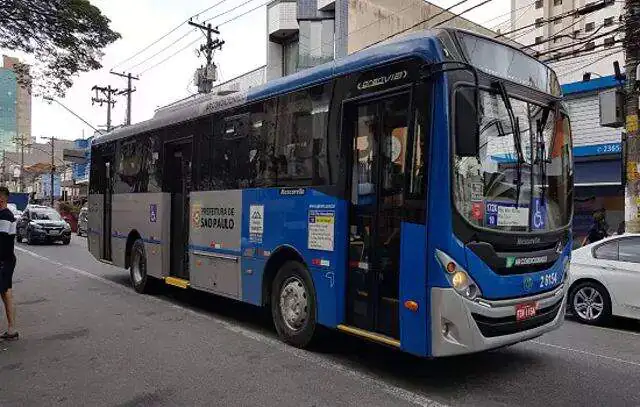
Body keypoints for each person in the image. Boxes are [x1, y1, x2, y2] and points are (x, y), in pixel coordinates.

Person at [0, 186, 18, 340]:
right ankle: (11, 329)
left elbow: (2, 241)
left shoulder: (5, 215)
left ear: (1, 199)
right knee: (6, 293)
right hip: (6, 260)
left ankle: (12, 329)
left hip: (3, 260)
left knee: (6, 292)